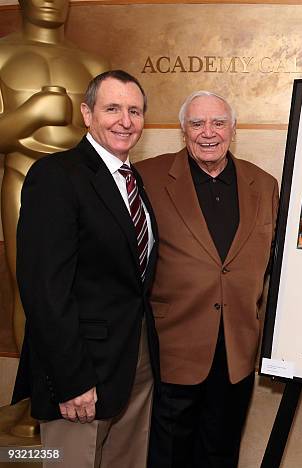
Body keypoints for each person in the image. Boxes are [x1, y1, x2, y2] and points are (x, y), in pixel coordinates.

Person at [11, 70, 159, 468]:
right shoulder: (56, 176)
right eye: (112, 108)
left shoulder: (133, 180)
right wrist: (72, 379)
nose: (125, 121)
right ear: (87, 114)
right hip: (81, 373)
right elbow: (44, 289)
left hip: (134, 364)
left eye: (135, 111)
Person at [136, 90, 278, 467]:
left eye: (218, 122)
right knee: (168, 455)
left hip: (236, 350)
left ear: (234, 129)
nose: (208, 132)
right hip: (174, 347)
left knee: (221, 452)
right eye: (197, 123)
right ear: (183, 131)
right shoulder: (147, 177)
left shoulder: (264, 185)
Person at [0, 0, 108, 436]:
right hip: (24, 177)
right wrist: (31, 115)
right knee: (31, 293)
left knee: (84, 293)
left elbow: (112, 132)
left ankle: (78, 389)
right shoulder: (2, 54)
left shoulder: (94, 63)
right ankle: (33, 402)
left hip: (87, 187)